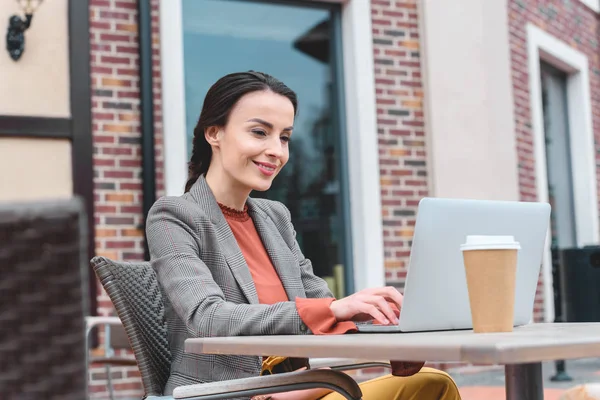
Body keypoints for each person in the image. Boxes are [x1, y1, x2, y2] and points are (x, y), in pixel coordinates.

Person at [146, 71, 461, 400]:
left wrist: (381, 325)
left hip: (295, 387)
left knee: (430, 380)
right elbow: (206, 316)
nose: (276, 151)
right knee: (433, 386)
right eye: (259, 132)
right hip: (224, 393)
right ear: (214, 133)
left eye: (284, 138)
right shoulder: (174, 216)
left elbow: (322, 305)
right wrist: (333, 310)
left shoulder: (274, 217)